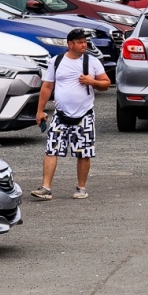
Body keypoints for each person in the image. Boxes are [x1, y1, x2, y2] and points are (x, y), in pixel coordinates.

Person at [32, 29, 111, 201]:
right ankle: (46, 188)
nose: (84, 45)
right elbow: (47, 87)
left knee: (84, 152)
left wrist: (93, 82)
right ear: (70, 44)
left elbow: (106, 83)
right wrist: (40, 110)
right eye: (80, 42)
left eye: (85, 42)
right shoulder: (56, 61)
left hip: (84, 115)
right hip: (60, 115)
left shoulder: (93, 61)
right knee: (51, 148)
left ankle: (81, 188)